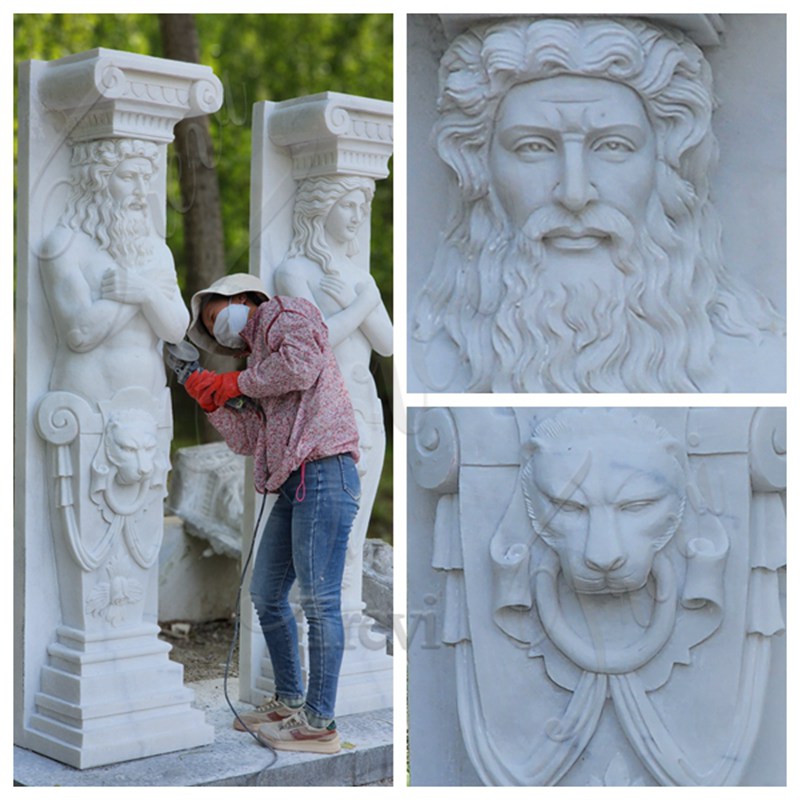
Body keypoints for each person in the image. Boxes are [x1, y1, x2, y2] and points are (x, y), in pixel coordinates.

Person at [410, 15, 785, 393]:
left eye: (613, 146)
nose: (574, 194)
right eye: (534, 147)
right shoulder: (419, 369)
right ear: (479, 171)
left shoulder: (767, 369)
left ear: (670, 166)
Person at [184, 272, 361, 755]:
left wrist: (231, 382)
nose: (221, 331)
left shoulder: (287, 312)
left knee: (320, 601)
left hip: (324, 470)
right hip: (294, 483)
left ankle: (319, 724)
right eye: (212, 328)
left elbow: (302, 366)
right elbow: (247, 442)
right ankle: (289, 700)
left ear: (241, 298)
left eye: (219, 317)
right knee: (265, 593)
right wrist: (212, 399)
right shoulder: (258, 366)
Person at [39, 137, 188, 402]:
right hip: (85, 396)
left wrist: (145, 292)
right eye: (129, 177)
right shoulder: (65, 245)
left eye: (146, 178)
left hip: (149, 398)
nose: (141, 190)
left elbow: (176, 329)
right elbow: (79, 334)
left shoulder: (157, 250)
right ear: (97, 182)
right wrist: (143, 291)